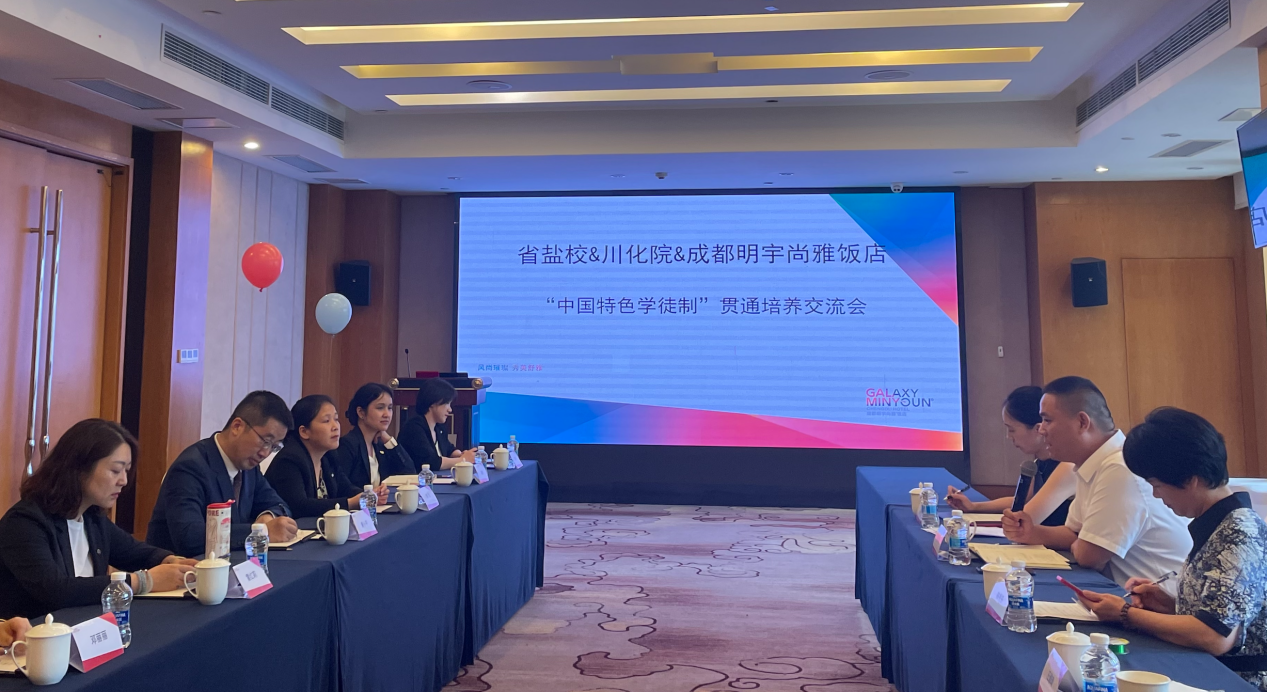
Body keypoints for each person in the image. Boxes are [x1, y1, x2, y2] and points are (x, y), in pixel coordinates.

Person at [1077, 408, 1267, 690]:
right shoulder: (1220, 523)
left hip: (1235, 680)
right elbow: (1218, 614)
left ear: (1190, 479)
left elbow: (1215, 636)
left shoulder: (1238, 533)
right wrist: (1169, 604)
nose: (1156, 495)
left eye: (1157, 485)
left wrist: (1125, 614)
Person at [1002, 376, 1190, 588]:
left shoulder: (1120, 468)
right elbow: (1073, 533)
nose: (1042, 429)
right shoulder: (1091, 463)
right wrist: (1031, 532)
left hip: (1158, 601)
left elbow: (1090, 556)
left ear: (1082, 422)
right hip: (1121, 593)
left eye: (1047, 420)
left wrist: (1082, 543)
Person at [0, 420, 196, 618]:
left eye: (126, 471)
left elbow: (133, 552)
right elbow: (56, 590)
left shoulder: (91, 517)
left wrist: (171, 561)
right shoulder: (24, 522)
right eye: (115, 470)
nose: (124, 481)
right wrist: (143, 581)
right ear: (79, 468)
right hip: (35, 634)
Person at [147, 391, 298, 557]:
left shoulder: (249, 467)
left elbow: (279, 504)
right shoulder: (190, 467)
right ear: (237, 426)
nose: (265, 453)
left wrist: (268, 516)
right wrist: (260, 531)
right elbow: (190, 537)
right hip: (185, 568)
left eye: (274, 447)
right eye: (266, 441)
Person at [947, 385, 1076, 526]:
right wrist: (974, 507)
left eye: (1012, 429)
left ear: (1038, 428)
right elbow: (1023, 502)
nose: (1008, 436)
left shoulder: (1067, 466)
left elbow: (1024, 519)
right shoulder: (1039, 463)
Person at [266, 394, 387, 518]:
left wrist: (369, 495)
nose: (335, 427)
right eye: (326, 421)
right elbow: (299, 507)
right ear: (304, 431)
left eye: (336, 419)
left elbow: (345, 488)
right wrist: (350, 503)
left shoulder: (328, 455)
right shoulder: (289, 460)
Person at [330, 383, 415, 488]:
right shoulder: (348, 445)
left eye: (389, 408)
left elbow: (409, 473)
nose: (387, 414)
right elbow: (342, 488)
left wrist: (389, 440)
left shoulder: (381, 444)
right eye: (380, 408)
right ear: (361, 412)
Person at [399, 378, 476, 473]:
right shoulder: (413, 428)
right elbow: (432, 462)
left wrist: (462, 454)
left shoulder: (439, 427)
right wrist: (462, 460)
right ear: (433, 403)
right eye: (447, 403)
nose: (450, 409)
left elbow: (449, 450)